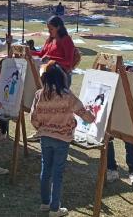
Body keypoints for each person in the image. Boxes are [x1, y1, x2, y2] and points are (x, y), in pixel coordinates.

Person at [30, 60, 95, 216]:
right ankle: (55, 208)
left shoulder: (40, 94)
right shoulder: (67, 95)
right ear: (62, 78)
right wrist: (92, 117)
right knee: (57, 173)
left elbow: (34, 118)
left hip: (45, 137)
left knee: (46, 170)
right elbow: (83, 113)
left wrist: (42, 128)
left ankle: (45, 203)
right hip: (62, 139)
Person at [107, 62, 133, 188]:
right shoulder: (121, 76)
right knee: (108, 139)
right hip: (114, 114)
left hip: (132, 118)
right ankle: (111, 169)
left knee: (131, 144)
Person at [32, 16, 75, 88]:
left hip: (61, 77)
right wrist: (27, 51)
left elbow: (68, 61)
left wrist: (51, 58)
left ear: (58, 27)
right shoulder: (50, 39)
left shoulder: (66, 40)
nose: (49, 31)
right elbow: (42, 54)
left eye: (51, 29)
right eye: (48, 29)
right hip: (48, 74)